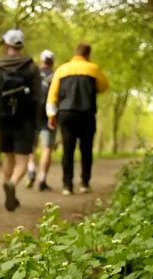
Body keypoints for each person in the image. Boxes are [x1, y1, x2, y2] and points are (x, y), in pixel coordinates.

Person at [0, 29, 41, 211]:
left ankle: (8, 192)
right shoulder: (31, 66)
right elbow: (37, 98)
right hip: (24, 120)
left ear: (6, 46)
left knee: (8, 158)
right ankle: (12, 184)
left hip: (4, 119)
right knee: (22, 162)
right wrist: (36, 122)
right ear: (21, 46)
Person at [46, 42, 109, 195]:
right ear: (88, 54)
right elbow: (104, 86)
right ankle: (85, 183)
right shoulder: (93, 69)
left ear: (75, 53)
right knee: (86, 150)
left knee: (68, 150)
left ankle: (67, 185)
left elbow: (53, 94)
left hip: (66, 114)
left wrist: (51, 116)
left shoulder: (62, 70)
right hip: (86, 114)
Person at [28, 49, 56, 191]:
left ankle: (31, 169)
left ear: (41, 60)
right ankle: (42, 179)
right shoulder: (55, 76)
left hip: (32, 114)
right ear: (52, 62)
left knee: (31, 146)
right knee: (47, 148)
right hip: (49, 115)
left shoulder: (32, 74)